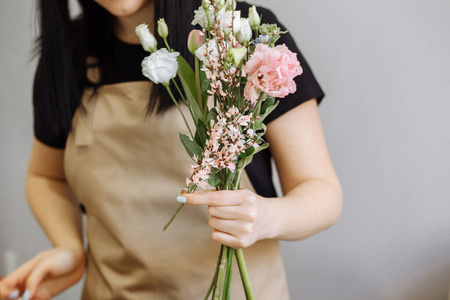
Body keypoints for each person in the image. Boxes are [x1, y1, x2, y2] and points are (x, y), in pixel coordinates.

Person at [0, 0, 342, 299]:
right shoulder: (69, 53)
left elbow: (322, 193)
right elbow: (46, 176)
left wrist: (265, 218)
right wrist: (69, 247)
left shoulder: (240, 36)